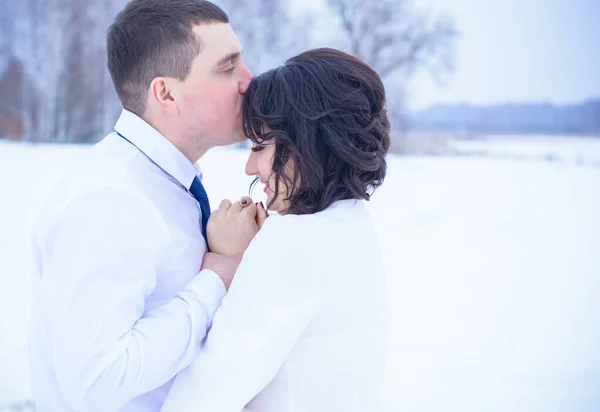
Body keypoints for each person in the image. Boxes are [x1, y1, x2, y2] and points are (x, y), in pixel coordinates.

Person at [26, 1, 261, 411]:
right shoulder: (110, 200)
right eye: (227, 67)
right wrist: (216, 279)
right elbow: (98, 380)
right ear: (166, 93)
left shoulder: (166, 182)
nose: (248, 80)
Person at [161, 47, 392, 412]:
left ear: (309, 141)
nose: (250, 168)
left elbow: (208, 392)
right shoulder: (351, 223)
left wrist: (228, 259)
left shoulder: (295, 242)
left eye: (259, 146)